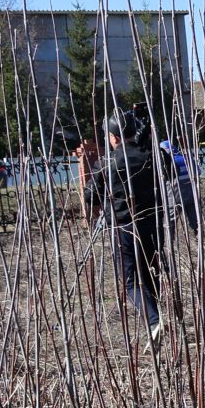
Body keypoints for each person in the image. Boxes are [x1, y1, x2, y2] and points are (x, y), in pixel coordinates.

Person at [80, 106, 167, 343]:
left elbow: (90, 196)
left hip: (123, 229)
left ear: (113, 137)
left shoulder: (107, 162)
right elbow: (168, 168)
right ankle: (159, 315)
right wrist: (149, 142)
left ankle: (154, 320)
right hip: (152, 224)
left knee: (131, 281)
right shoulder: (149, 154)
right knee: (152, 272)